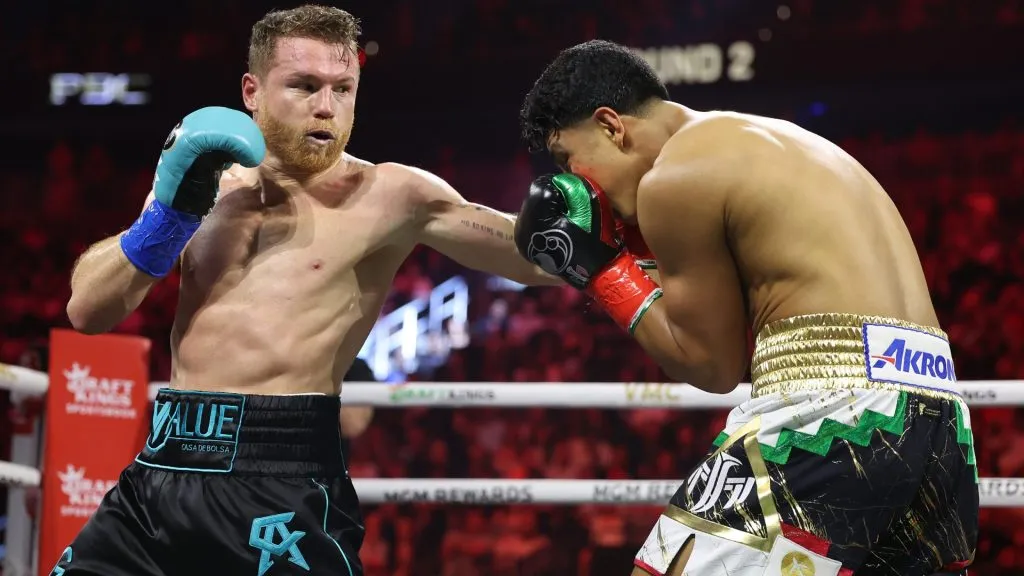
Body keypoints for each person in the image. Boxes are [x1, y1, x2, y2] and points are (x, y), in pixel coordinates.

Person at [56, 5, 557, 575]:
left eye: (343, 89)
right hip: (159, 469)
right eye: (304, 86)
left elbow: (533, 257)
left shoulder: (391, 195)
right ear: (252, 91)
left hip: (281, 474)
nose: (326, 107)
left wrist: (621, 232)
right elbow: (88, 311)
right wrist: (168, 215)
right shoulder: (204, 183)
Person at [515, 40, 977, 576]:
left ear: (611, 125)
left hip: (833, 410)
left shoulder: (675, 179)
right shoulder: (771, 140)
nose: (576, 184)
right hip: (940, 414)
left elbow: (710, 365)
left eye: (569, 158)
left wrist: (601, 271)